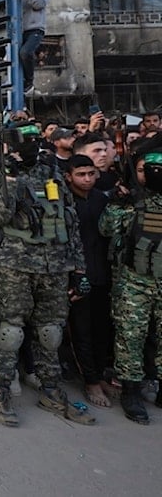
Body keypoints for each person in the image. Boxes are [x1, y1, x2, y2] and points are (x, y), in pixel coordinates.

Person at [0, 123, 94, 427]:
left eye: (36, 138)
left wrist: (78, 267)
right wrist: (9, 181)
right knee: (10, 333)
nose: (33, 144)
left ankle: (52, 390)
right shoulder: (0, 173)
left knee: (51, 333)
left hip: (55, 264)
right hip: (15, 265)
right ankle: (2, 390)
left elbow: (68, 221)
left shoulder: (52, 171)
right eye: (27, 140)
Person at [99, 146, 162, 424]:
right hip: (135, 279)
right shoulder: (132, 201)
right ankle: (131, 391)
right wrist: (118, 200)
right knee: (130, 337)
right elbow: (106, 228)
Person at [63, 155, 113, 409]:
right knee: (80, 330)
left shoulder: (102, 200)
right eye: (81, 174)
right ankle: (90, 380)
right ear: (69, 176)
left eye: (91, 174)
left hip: (102, 274)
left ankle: (101, 374)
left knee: (102, 328)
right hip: (77, 276)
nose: (87, 179)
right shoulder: (63, 202)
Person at [16, 0, 48, 95]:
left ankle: (29, 82)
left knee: (25, 52)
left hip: (35, 29)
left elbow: (39, 4)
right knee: (15, 56)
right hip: (19, 31)